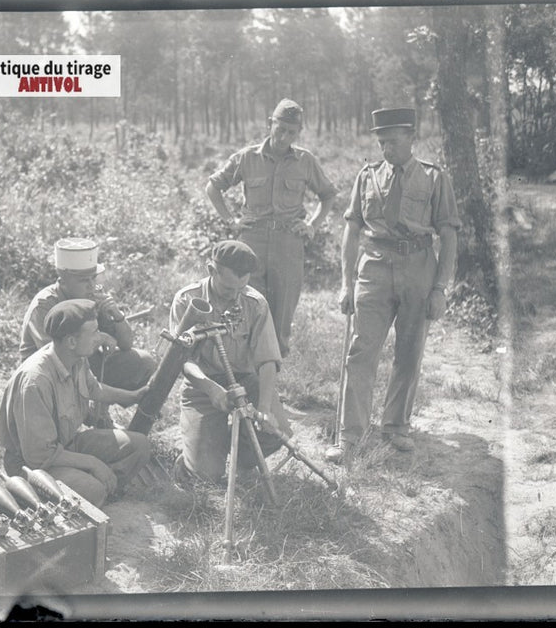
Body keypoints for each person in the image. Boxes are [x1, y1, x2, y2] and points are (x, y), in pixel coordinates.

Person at [327, 107, 461, 464]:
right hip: (373, 268)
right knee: (360, 353)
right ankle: (350, 437)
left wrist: (440, 289)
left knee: (409, 351)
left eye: (394, 142)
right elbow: (352, 229)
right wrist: (345, 284)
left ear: (412, 137)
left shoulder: (434, 179)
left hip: (418, 267)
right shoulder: (367, 177)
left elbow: (448, 235)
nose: (387, 150)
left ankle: (396, 426)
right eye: (382, 142)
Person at [205, 98, 340, 359]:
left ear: (298, 132)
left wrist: (311, 225)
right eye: (280, 129)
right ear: (270, 124)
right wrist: (231, 220)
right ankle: (243, 373)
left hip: (288, 244)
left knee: (282, 313)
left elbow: (328, 195)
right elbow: (213, 187)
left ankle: (272, 380)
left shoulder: (305, 161)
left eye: (292, 132)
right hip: (251, 242)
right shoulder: (247, 158)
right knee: (245, 306)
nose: (284, 137)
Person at [0, 299, 152, 507]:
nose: (99, 338)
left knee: (139, 445)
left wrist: (133, 397)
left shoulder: (76, 357)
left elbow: (93, 388)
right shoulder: (36, 382)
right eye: (94, 332)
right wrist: (93, 463)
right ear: (71, 341)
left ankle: (102, 487)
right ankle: (87, 491)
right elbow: (39, 456)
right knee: (93, 490)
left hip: (66, 445)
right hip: (32, 465)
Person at [170, 240, 294, 483]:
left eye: (241, 287)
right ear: (211, 270)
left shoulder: (255, 303)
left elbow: (268, 361)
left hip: (245, 381)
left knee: (276, 432)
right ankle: (196, 453)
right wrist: (211, 389)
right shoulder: (187, 300)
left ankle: (239, 457)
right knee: (205, 476)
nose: (235, 295)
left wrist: (266, 409)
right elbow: (180, 359)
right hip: (201, 386)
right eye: (228, 289)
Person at [19, 238, 157, 421]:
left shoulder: (91, 296)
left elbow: (126, 344)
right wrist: (97, 338)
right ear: (63, 279)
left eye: (94, 278)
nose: (92, 285)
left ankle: (99, 413)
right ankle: (89, 416)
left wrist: (117, 315)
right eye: (84, 280)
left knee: (143, 362)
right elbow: (56, 357)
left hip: (83, 364)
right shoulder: (44, 306)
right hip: (49, 376)